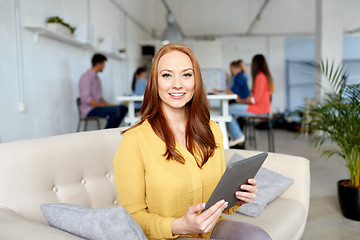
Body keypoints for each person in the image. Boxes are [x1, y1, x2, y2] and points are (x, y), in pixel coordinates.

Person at [113, 44, 271, 240]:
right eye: (167, 75)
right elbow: (131, 217)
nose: (177, 84)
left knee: (257, 236)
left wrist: (238, 197)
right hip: (167, 236)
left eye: (186, 75)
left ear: (196, 81)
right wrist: (179, 226)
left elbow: (219, 201)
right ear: (154, 82)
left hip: (210, 229)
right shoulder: (134, 140)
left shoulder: (212, 130)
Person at [228, 54, 274, 147]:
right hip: (262, 108)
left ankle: (238, 136)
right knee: (230, 109)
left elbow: (254, 100)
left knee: (228, 110)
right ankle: (238, 136)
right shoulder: (265, 76)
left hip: (259, 109)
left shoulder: (260, 77)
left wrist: (241, 100)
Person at [79, 53, 128, 129]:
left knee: (123, 108)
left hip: (97, 107)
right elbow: (87, 100)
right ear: (98, 64)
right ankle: (106, 134)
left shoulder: (97, 78)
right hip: (89, 110)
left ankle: (112, 131)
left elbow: (100, 98)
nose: (104, 67)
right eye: (103, 64)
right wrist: (104, 106)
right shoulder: (86, 77)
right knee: (115, 111)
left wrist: (110, 105)